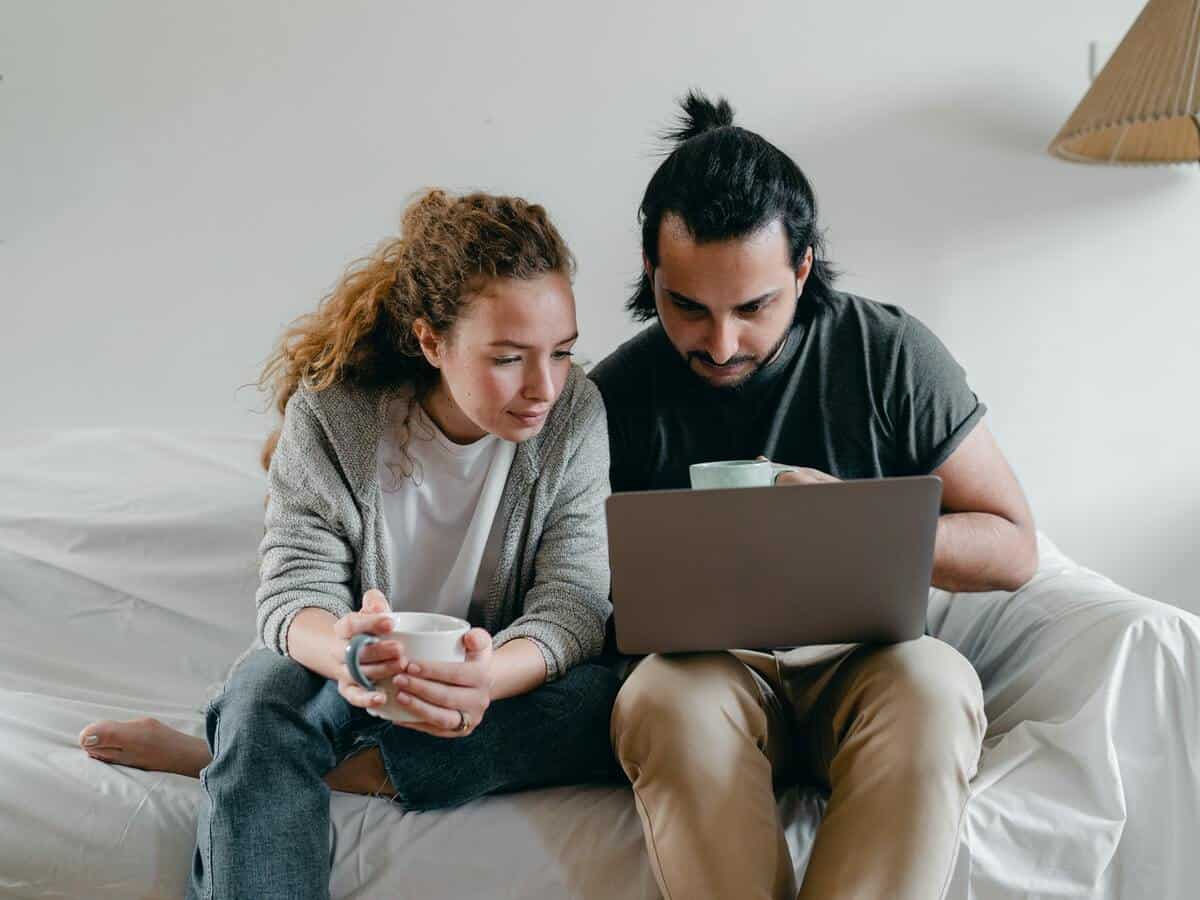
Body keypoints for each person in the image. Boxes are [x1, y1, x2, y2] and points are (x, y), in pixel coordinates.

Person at [79, 189, 621, 899]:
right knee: (261, 701)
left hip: (493, 677)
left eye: (563, 352)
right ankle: (257, 751)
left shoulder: (574, 413)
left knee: (612, 702)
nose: (544, 386)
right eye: (510, 358)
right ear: (432, 342)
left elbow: (574, 602)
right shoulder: (333, 415)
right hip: (349, 662)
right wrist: (350, 654)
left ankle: (238, 762)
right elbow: (291, 595)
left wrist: (486, 677)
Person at [590, 92, 1039, 900]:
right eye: (686, 306)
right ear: (651, 271)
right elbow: (572, 584)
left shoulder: (888, 355)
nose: (720, 344)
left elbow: (1013, 547)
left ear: (802, 267)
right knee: (660, 697)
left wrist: (849, 528)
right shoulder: (616, 395)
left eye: (753, 307)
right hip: (708, 672)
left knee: (937, 686)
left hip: (867, 666)